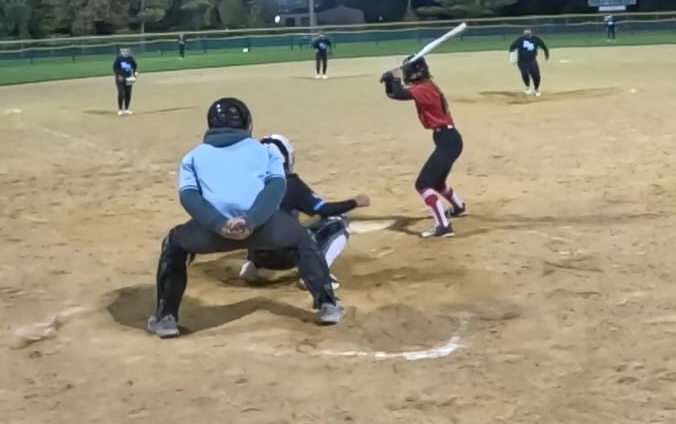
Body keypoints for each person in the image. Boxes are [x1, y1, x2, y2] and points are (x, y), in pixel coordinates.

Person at [147, 97, 343, 338]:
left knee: (174, 243)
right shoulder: (265, 152)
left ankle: (166, 318)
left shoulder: (192, 157)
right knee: (302, 239)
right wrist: (251, 220)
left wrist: (219, 224)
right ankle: (327, 305)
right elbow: (275, 189)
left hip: (211, 233)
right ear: (247, 123)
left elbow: (190, 197)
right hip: (265, 229)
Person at [239, 134, 370, 289]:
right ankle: (316, 275)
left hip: (258, 255)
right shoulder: (290, 183)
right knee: (338, 222)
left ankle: (253, 267)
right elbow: (325, 210)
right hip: (284, 258)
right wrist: (355, 202)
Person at [381, 56, 467, 238]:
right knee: (437, 183)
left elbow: (400, 93)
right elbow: (394, 94)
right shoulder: (425, 86)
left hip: (448, 140)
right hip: (448, 139)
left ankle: (443, 226)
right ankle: (458, 207)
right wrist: (390, 81)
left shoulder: (424, 88)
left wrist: (393, 78)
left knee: (423, 184)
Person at [508, 27, 549, 97]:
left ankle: (537, 89)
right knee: (525, 74)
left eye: (528, 33)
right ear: (524, 33)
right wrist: (513, 54)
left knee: (536, 75)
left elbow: (544, 46)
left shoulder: (536, 39)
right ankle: (528, 87)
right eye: (526, 33)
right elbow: (511, 47)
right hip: (522, 61)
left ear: (531, 33)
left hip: (532, 60)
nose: (527, 34)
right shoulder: (520, 39)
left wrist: (546, 55)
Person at [113, 48, 138, 116]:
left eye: (126, 51)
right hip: (120, 79)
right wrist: (118, 75)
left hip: (128, 78)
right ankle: (120, 110)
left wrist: (134, 74)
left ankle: (126, 109)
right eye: (123, 51)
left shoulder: (130, 58)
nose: (125, 52)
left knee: (128, 93)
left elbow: (135, 66)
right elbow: (115, 68)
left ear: (129, 51)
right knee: (121, 93)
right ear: (121, 52)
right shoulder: (119, 59)